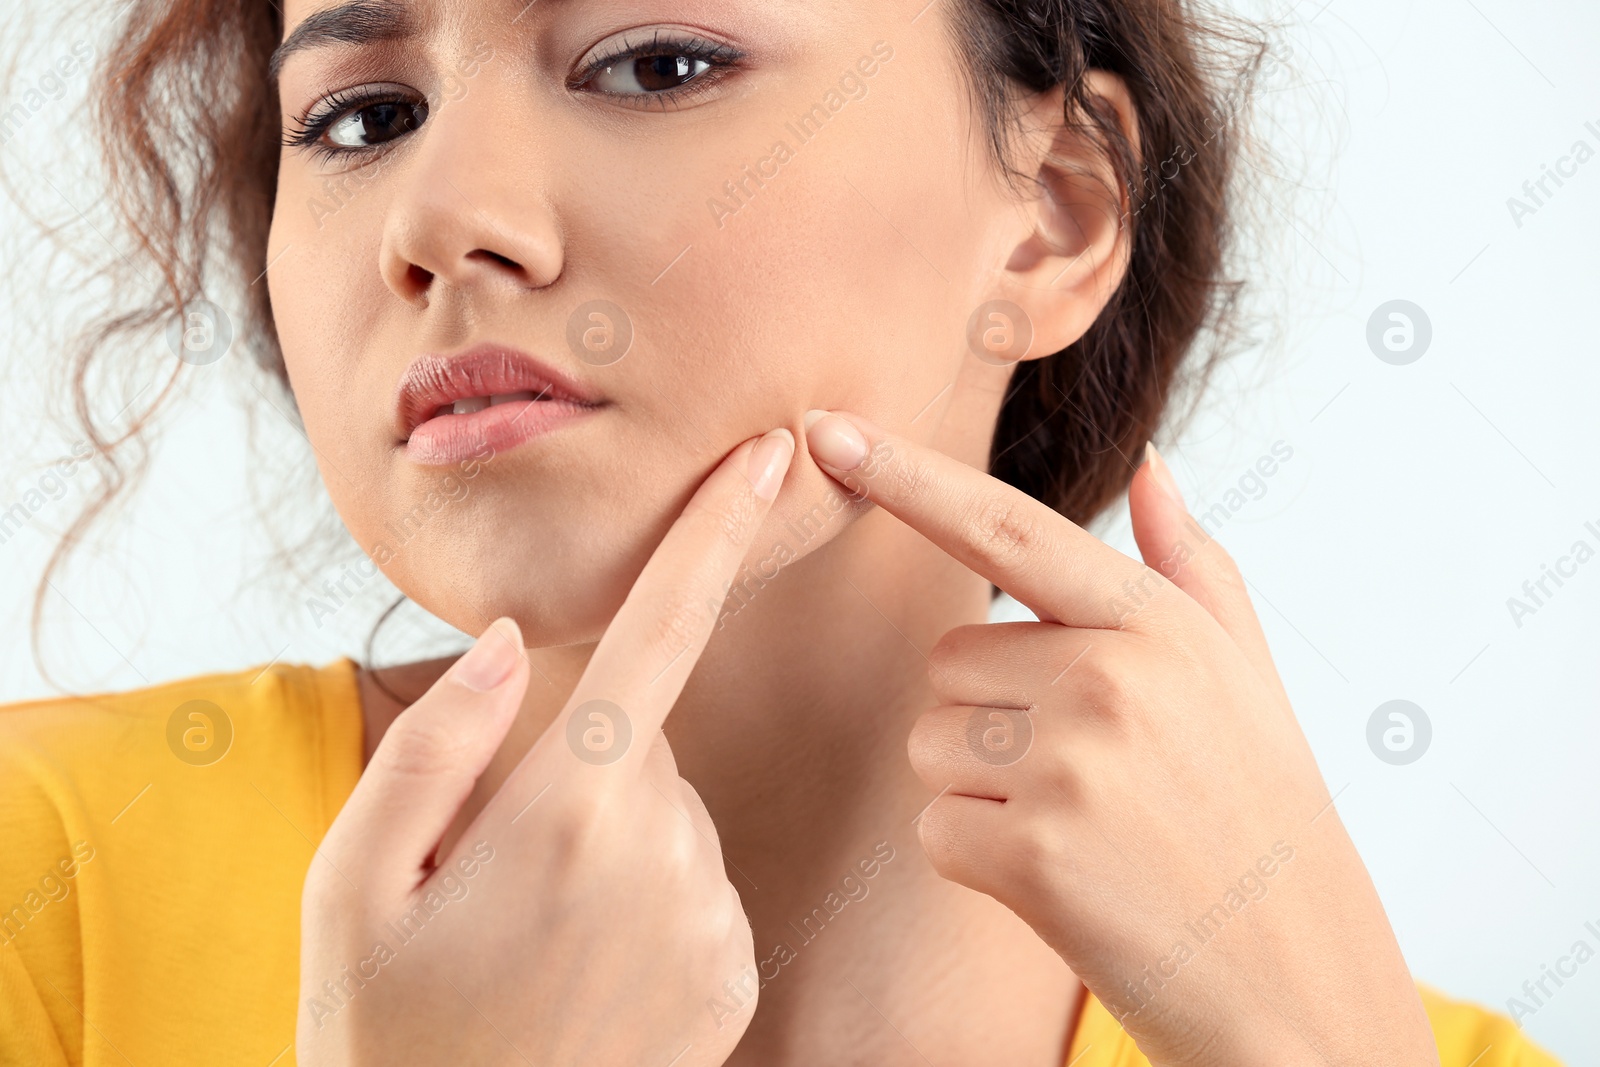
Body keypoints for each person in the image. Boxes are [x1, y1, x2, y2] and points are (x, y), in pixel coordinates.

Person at [0, 0, 1563, 1064]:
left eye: (656, 62)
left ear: (1059, 209)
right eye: (359, 117)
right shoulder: (44, 887)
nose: (436, 218)